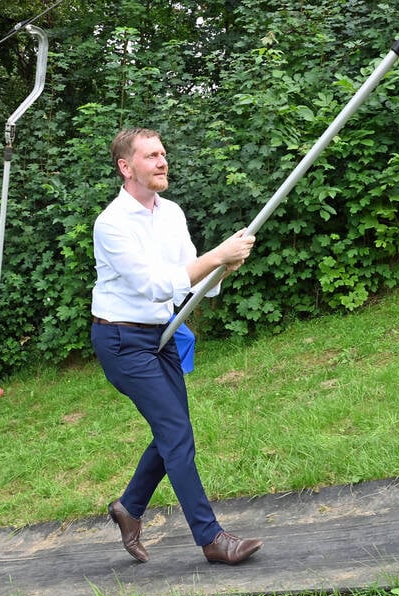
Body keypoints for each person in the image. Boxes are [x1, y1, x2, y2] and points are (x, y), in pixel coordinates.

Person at [91, 127, 263, 565]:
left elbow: (191, 285)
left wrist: (225, 268)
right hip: (121, 339)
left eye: (164, 153)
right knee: (176, 434)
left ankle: (128, 508)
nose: (162, 161)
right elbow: (153, 286)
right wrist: (216, 256)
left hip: (160, 333)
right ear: (126, 167)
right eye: (151, 156)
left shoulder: (171, 213)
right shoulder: (111, 224)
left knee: (173, 433)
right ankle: (212, 540)